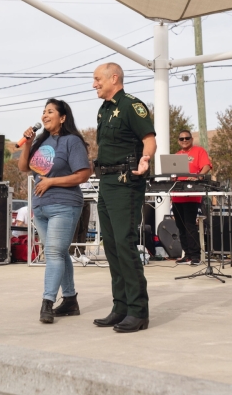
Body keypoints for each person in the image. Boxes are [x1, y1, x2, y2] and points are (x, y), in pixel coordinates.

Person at [92, 62, 156, 333]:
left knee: (124, 242)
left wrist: (145, 158)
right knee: (111, 246)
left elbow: (149, 138)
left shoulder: (131, 105)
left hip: (125, 182)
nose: (94, 84)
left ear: (113, 78)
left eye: (98, 79)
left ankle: (138, 311)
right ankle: (120, 307)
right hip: (106, 181)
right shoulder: (104, 109)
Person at [18, 98, 90, 324]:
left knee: (53, 253)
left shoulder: (72, 142)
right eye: (43, 112)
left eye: (50, 111)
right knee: (59, 253)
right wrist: (28, 143)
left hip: (64, 204)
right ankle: (70, 300)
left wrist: (51, 182)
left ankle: (47, 302)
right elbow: (23, 168)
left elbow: (83, 175)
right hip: (40, 207)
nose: (45, 115)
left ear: (63, 117)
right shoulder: (41, 142)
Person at [171, 130, 212, 265]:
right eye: (181, 139)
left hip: (191, 194)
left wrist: (198, 176)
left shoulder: (199, 151)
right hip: (177, 195)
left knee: (190, 225)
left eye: (187, 138)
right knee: (180, 226)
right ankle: (187, 254)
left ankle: (195, 256)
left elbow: (206, 166)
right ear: (178, 141)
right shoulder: (176, 155)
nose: (184, 140)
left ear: (191, 139)